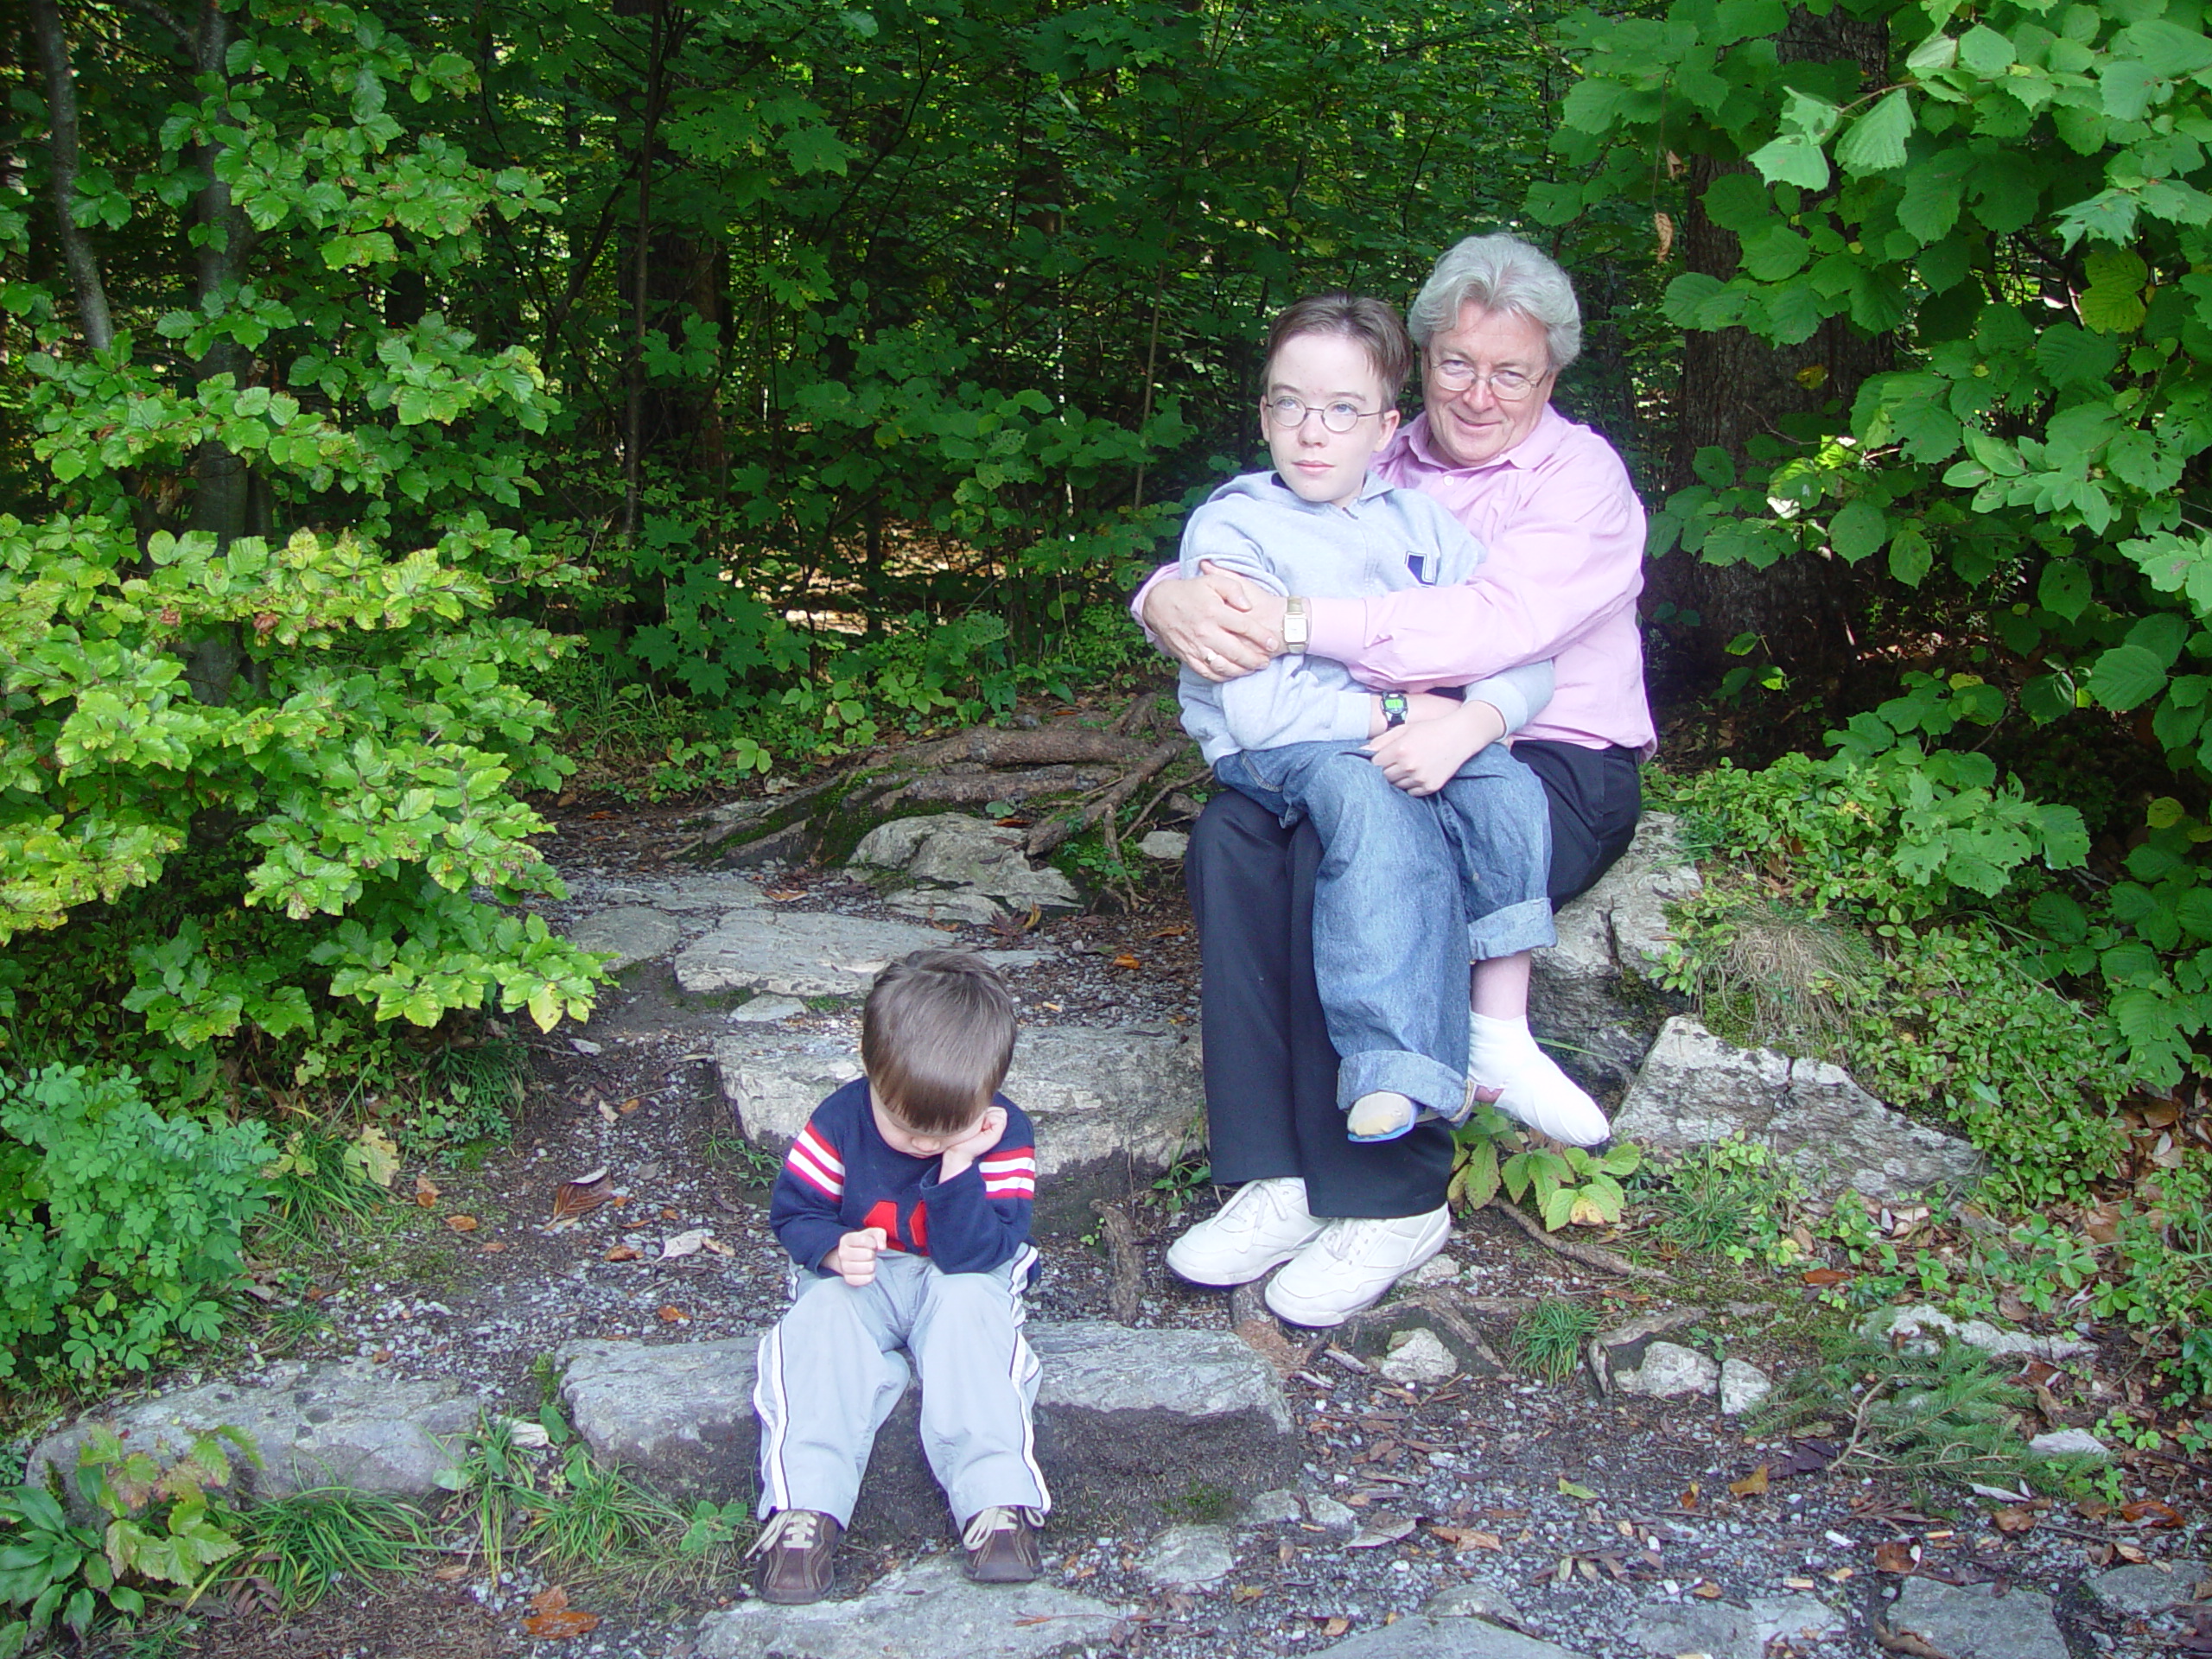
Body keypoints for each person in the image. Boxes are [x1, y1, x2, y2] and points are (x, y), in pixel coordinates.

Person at [1140, 233, 1656, 1327]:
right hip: (1368, 731)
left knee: (1355, 838)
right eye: (1455, 364)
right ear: (1416, 369)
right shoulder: (1376, 445)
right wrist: (1166, 594)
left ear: (1549, 378)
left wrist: (1300, 631)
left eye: (1508, 371)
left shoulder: (1580, 479)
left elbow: (1490, 630)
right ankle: (1276, 1170)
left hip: (1542, 754)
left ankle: (1389, 1195)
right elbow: (1256, 522)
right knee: (1235, 831)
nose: (1475, 392)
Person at [1173, 292, 1557, 1147]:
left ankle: (1494, 1025)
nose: (1313, 431)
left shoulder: (1419, 524)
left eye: (1342, 410)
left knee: (1503, 780)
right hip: (1279, 746)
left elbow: (1525, 652)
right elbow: (1263, 707)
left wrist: (1477, 718)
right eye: (1290, 403)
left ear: (1385, 429)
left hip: (1385, 727)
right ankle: (1390, 1064)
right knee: (1380, 816)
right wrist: (1396, 710)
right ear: (1264, 412)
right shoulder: (1237, 527)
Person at [748, 950, 1048, 1604]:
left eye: (942, 1133)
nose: (919, 1146)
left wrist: (960, 1164)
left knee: (971, 1311)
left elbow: (980, 1254)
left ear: (986, 1096)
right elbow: (793, 1213)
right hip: (866, 1277)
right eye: (905, 1128)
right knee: (820, 1321)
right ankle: (804, 1509)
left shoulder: (1004, 1135)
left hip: (961, 1274)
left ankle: (997, 1502)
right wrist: (830, 1250)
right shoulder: (838, 1121)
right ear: (869, 1067)